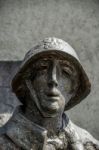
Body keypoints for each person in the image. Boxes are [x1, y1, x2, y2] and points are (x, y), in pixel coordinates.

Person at [0, 37, 99, 150]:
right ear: (27, 81)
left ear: (74, 88)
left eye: (66, 72)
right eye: (43, 68)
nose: (53, 79)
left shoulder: (88, 144)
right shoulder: (3, 141)